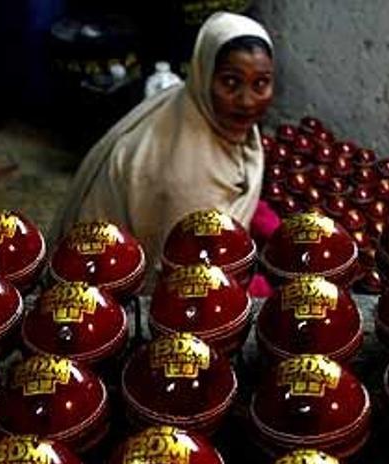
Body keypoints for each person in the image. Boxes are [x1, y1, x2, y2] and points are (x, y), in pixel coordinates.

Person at [52, 12, 274, 287]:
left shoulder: (204, 110)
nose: (247, 100)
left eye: (260, 83)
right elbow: (186, 284)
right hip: (104, 281)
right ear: (204, 76)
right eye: (230, 82)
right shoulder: (185, 174)